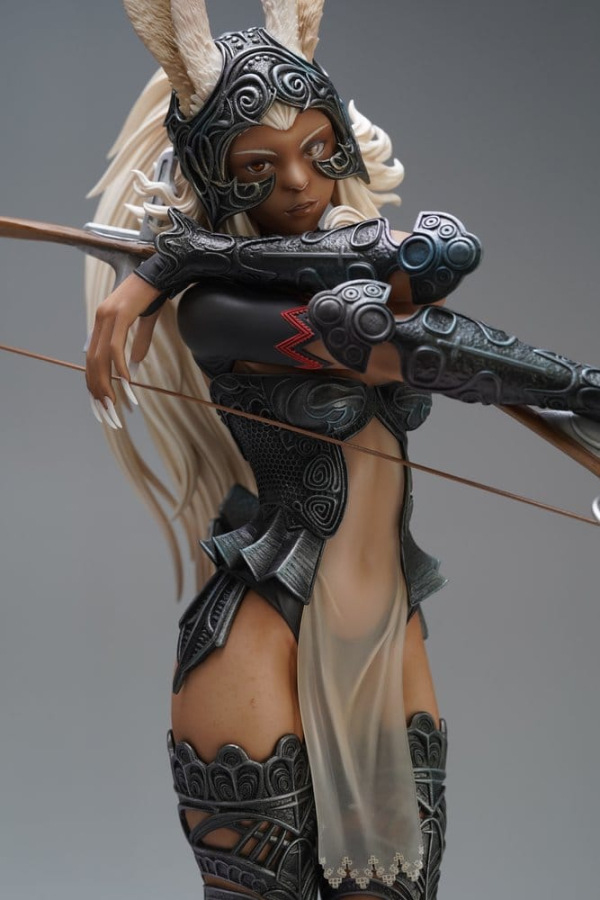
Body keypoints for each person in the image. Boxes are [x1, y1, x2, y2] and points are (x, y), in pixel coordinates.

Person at [83, 3, 600, 900]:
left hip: (387, 626)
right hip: (266, 630)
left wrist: (176, 259)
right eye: (259, 166)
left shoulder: (354, 267)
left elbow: (428, 268)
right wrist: (587, 390)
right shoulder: (218, 312)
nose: (298, 183)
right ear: (216, 175)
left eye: (317, 150)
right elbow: (397, 345)